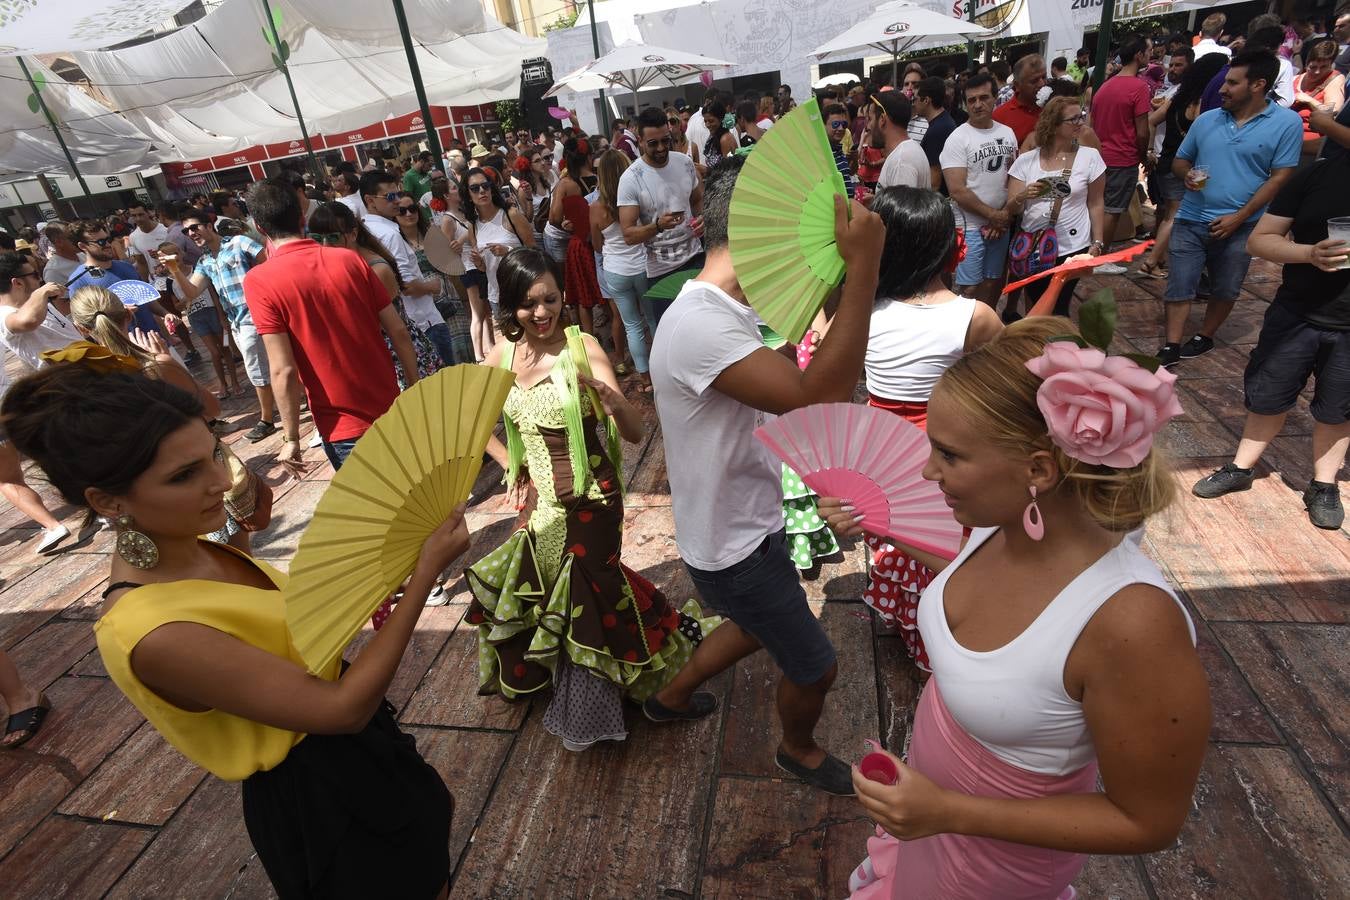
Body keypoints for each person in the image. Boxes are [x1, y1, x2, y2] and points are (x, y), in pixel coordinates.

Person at [1, 358, 465, 897]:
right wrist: (426, 570)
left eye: (214, 452)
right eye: (185, 475)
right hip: (324, 802)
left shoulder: (195, 549)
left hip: (368, 757)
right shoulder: (150, 631)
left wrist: (243, 532)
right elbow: (339, 709)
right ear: (107, 501)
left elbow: (268, 620)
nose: (220, 481)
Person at [827, 316, 1207, 900]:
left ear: (1038, 470)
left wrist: (949, 812)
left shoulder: (1131, 624)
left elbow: (1149, 821)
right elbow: (961, 576)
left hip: (992, 866)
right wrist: (876, 523)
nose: (929, 472)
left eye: (949, 455)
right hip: (932, 807)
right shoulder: (996, 524)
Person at [647, 156, 885, 796]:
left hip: (738, 531)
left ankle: (670, 696)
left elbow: (777, 409)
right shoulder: (700, 324)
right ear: (765, 237)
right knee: (816, 667)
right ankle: (797, 750)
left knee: (755, 624)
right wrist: (863, 267)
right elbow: (817, 395)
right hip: (734, 549)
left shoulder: (724, 313)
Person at [468, 248, 713, 751]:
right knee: (555, 585)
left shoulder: (583, 347)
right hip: (539, 504)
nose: (541, 313)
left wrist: (618, 403)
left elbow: (634, 431)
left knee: (583, 592)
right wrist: (507, 460)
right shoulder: (502, 356)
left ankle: (589, 711)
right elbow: (468, 423)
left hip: (592, 501)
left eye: (551, 299)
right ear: (510, 306)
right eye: (528, 304)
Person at [852, 188, 1001, 665]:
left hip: (878, 454)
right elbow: (1001, 383)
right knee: (938, 551)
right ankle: (935, 649)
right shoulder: (975, 317)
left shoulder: (859, 313)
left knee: (897, 542)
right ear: (947, 247)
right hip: (939, 455)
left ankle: (902, 622)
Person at [1190, 151, 1350, 529]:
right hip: (1296, 313)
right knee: (1268, 395)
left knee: (1339, 408)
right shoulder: (1317, 175)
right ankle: (1241, 467)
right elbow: (1260, 241)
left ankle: (1324, 485)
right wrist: (1309, 253)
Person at [243, 182, 417, 474]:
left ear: (260, 228)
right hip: (391, 408)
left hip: (341, 425)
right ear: (302, 217)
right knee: (419, 499)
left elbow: (283, 369)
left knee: (380, 514)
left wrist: (291, 437)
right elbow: (398, 331)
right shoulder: (350, 259)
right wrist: (412, 387)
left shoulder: (259, 281)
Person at [1158, 50, 1302, 367]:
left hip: (1243, 225)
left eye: (1232, 83)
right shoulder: (1208, 119)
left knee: (1226, 286)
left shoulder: (1287, 123)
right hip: (1192, 218)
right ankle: (1171, 344)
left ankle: (1205, 336)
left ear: (1258, 85)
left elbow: (1279, 178)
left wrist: (1239, 217)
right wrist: (1188, 175)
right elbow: (1180, 161)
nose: (1222, 89)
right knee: (1180, 284)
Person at [163, 210, 277, 443]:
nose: (191, 233)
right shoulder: (204, 262)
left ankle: (267, 420)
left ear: (209, 224)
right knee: (273, 364)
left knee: (257, 368)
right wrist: (175, 270)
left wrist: (263, 293)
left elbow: (268, 261)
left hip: (257, 315)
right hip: (237, 321)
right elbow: (192, 292)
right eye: (186, 231)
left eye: (195, 227)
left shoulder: (238, 242)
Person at [1003, 98, 1108, 316]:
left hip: (1072, 245)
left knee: (1059, 305)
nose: (1081, 122)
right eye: (1073, 119)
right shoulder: (1026, 161)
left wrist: (1097, 242)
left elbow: (1096, 202)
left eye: (1082, 116)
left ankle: (1058, 345)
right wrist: (1023, 196)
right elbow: (1011, 209)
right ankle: (1042, 346)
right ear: (1053, 124)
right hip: (1034, 247)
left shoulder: (1090, 157)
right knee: (1038, 304)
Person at [0, 253, 76, 552]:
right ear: (17, 281)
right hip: (48, 394)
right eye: (35, 275)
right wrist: (43, 292)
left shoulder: (37, 301)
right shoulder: (7, 312)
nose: (40, 279)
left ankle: (57, 524)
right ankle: (56, 524)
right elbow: (25, 321)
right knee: (10, 478)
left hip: (66, 387)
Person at [1136, 51, 1231, 280]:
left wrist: (1149, 151)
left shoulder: (1176, 97)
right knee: (1174, 216)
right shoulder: (1202, 105)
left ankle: (1159, 258)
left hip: (1164, 160)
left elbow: (1151, 119)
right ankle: (1151, 262)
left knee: (1166, 212)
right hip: (1183, 166)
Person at [619, 107, 705, 324]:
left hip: (695, 258)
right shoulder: (630, 179)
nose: (661, 148)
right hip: (660, 271)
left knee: (704, 324)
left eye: (665, 140)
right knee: (673, 333)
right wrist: (657, 226)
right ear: (639, 141)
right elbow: (628, 234)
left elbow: (696, 199)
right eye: (653, 143)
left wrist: (702, 219)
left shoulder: (684, 163)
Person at [940, 73, 1019, 310]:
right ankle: (966, 337)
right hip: (970, 225)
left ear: (995, 98)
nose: (977, 104)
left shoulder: (1008, 133)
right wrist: (992, 216)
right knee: (969, 287)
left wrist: (1004, 216)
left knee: (992, 280)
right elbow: (957, 190)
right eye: (971, 100)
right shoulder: (957, 138)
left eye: (984, 98)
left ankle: (984, 331)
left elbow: (1013, 178)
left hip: (1001, 223)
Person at [1087, 35, 1152, 276]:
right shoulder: (1138, 88)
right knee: (1112, 210)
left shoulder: (1105, 86)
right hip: (1123, 157)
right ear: (1139, 55)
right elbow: (1142, 131)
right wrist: (1144, 155)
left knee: (1097, 206)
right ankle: (1100, 258)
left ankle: (1092, 252)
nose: (1151, 55)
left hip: (1099, 156)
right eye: (1149, 51)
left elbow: (1090, 122)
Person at [594, 149, 654, 392]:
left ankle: (645, 377)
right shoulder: (639, 197)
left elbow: (597, 245)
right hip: (642, 266)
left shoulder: (596, 208)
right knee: (652, 319)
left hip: (616, 270)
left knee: (632, 325)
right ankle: (664, 368)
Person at [393, 193, 474, 366]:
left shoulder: (432, 232)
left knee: (463, 351)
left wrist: (455, 252)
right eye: (402, 211)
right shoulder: (396, 242)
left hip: (450, 298)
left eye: (412, 209)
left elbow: (452, 267)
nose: (409, 214)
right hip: (426, 306)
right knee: (443, 357)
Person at [157, 240, 238, 400]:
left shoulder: (198, 270)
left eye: (175, 253)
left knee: (225, 348)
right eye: (167, 256)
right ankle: (223, 384)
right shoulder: (170, 282)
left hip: (212, 312)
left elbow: (214, 295)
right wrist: (187, 299)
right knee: (214, 352)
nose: (173, 258)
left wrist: (222, 316)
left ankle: (235, 382)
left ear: (181, 253)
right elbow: (178, 307)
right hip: (195, 317)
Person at [459, 166, 536, 327]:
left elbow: (534, 252)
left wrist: (507, 251)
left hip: (522, 290)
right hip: (496, 296)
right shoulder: (473, 226)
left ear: (492, 188)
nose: (482, 191)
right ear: (468, 194)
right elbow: (483, 268)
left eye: (485, 186)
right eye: (475, 188)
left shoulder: (510, 214)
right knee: (513, 346)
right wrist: (479, 264)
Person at [1292, 38, 1346, 150]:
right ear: (1306, 63)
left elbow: (1332, 113)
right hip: (1284, 138)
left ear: (1332, 65)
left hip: (1308, 146)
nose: (1317, 72)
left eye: (1324, 67)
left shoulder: (1334, 79)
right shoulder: (1294, 79)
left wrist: (1309, 100)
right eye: (1313, 67)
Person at [872, 92, 931, 190]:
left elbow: (903, 206)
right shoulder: (907, 151)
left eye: (870, 119)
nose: (868, 126)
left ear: (882, 119)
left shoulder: (901, 161)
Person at [913, 77, 958, 192]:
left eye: (916, 99)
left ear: (926, 100)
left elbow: (934, 181)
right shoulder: (944, 121)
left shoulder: (937, 130)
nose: (914, 104)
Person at [993, 54, 1047, 145]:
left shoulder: (1055, 107)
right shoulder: (999, 117)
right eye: (1034, 81)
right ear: (1017, 85)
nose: (1042, 84)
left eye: (1044, 77)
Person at [824, 103, 860, 199]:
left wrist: (854, 160)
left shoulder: (838, 148)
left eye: (844, 124)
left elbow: (848, 173)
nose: (840, 128)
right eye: (835, 124)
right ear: (823, 125)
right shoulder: (822, 153)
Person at [701, 100, 736, 172]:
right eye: (705, 121)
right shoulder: (713, 136)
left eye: (711, 121)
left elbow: (730, 171)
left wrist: (707, 171)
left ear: (721, 119)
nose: (707, 125)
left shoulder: (725, 139)